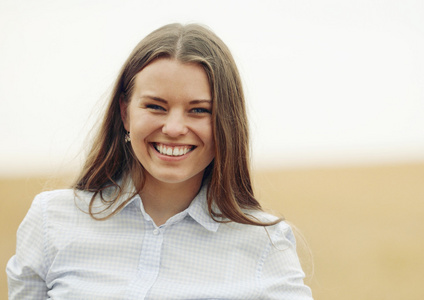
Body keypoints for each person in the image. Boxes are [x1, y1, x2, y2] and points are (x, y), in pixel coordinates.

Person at [6, 23, 313, 299]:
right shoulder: (51, 221)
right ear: (125, 113)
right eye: (155, 106)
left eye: (199, 110)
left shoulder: (265, 245)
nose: (175, 128)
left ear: (226, 122)